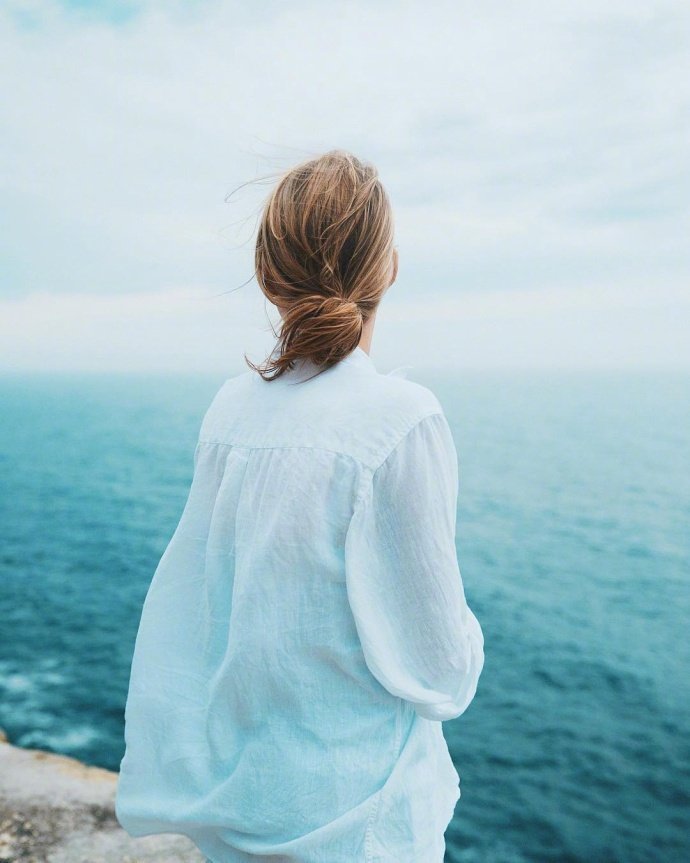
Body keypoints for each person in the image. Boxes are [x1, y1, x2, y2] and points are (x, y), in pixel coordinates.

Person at [115, 149, 484, 862]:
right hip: (360, 828)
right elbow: (438, 670)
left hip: (240, 814)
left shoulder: (229, 412)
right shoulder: (400, 419)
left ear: (266, 274)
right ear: (391, 268)